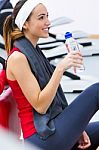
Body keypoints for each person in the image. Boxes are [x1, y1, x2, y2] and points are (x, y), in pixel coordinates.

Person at [3, 0, 99, 149]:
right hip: (41, 138)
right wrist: (60, 69)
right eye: (41, 17)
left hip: (53, 130)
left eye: (47, 16)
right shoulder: (18, 58)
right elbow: (40, 106)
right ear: (25, 23)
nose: (48, 22)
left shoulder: (34, 50)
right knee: (96, 91)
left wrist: (77, 128)